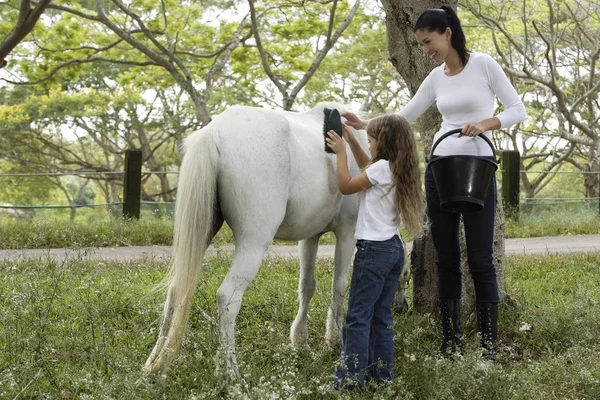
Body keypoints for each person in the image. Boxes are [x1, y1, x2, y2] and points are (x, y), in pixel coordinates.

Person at [342, 6, 527, 360]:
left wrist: (486, 124)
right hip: (440, 169)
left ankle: (488, 347)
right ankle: (450, 342)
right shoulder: (437, 77)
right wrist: (365, 123)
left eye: (428, 42)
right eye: (421, 44)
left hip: (478, 171)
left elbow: (517, 109)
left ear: (448, 32)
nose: (426, 50)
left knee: (480, 259)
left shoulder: (484, 65)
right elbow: (404, 115)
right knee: (445, 257)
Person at [326, 114, 424, 390]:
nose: (367, 146)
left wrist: (341, 153)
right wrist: (352, 139)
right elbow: (368, 165)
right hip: (393, 249)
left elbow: (346, 186)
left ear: (383, 143)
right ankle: (381, 377)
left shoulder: (381, 169)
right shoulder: (395, 167)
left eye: (370, 141)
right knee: (381, 317)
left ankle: (349, 382)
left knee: (357, 317)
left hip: (373, 252)